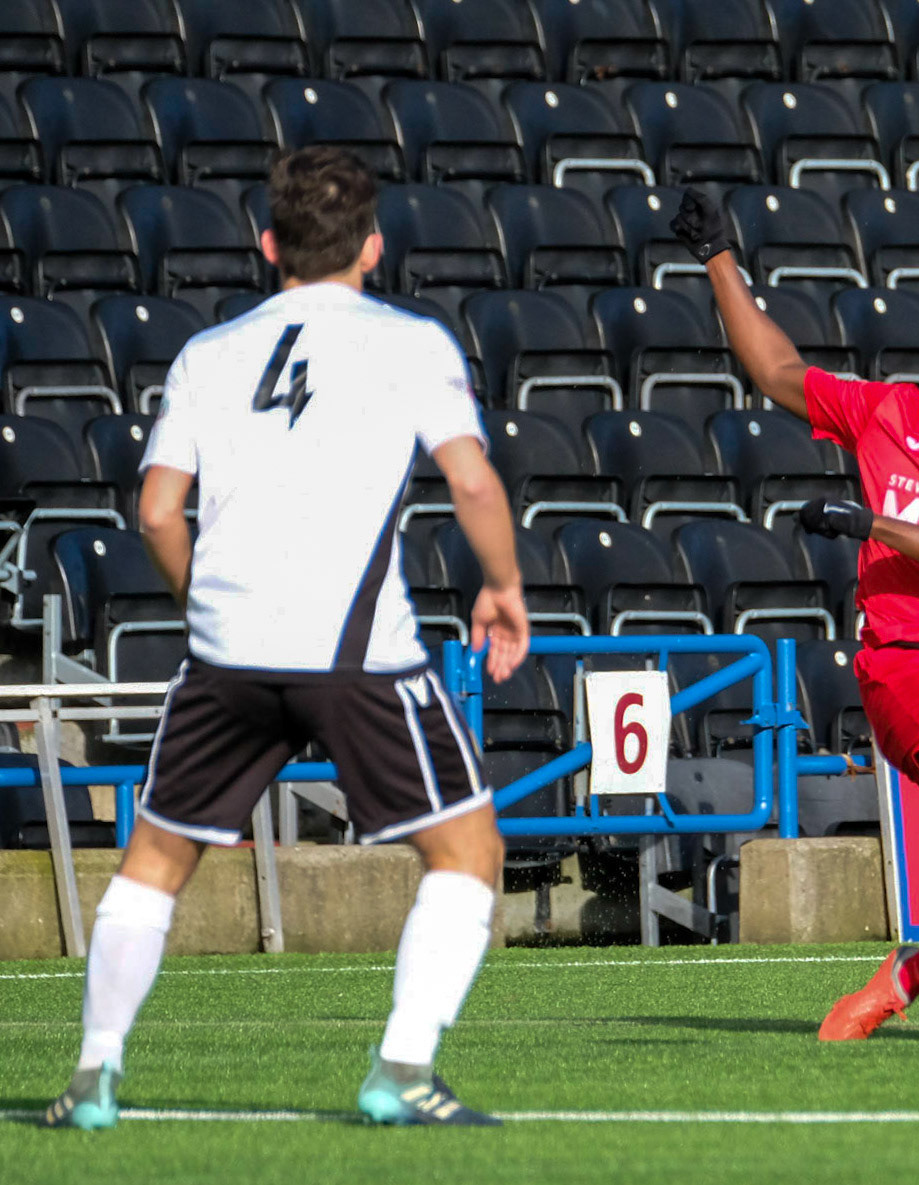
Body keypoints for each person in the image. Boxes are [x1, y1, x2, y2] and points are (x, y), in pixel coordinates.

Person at [43, 147, 528, 1129]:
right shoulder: (410, 341)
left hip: (227, 651)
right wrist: (504, 586)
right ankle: (400, 1069)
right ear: (375, 247)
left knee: (156, 862)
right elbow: (472, 481)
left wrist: (203, 601)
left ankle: (93, 1076)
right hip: (357, 654)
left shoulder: (207, 354)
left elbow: (155, 510)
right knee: (469, 850)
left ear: (269, 247)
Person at [671, 191, 919, 1040]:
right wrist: (717, 258)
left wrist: (869, 523)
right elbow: (777, 372)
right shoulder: (886, 412)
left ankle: (901, 979)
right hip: (907, 660)